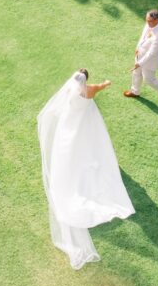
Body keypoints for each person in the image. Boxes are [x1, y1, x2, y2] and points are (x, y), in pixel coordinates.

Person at [38, 69, 135, 269]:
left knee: (74, 151)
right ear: (85, 80)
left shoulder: (67, 93)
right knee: (92, 146)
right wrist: (107, 82)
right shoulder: (88, 90)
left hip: (70, 126)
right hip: (86, 125)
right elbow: (101, 87)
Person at [123, 9, 158, 99]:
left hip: (150, 61)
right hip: (140, 55)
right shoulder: (149, 24)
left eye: (149, 21)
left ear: (157, 20)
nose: (147, 23)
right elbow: (143, 36)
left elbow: (152, 52)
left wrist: (139, 63)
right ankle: (135, 91)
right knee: (136, 73)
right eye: (146, 20)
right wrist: (138, 48)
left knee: (148, 79)